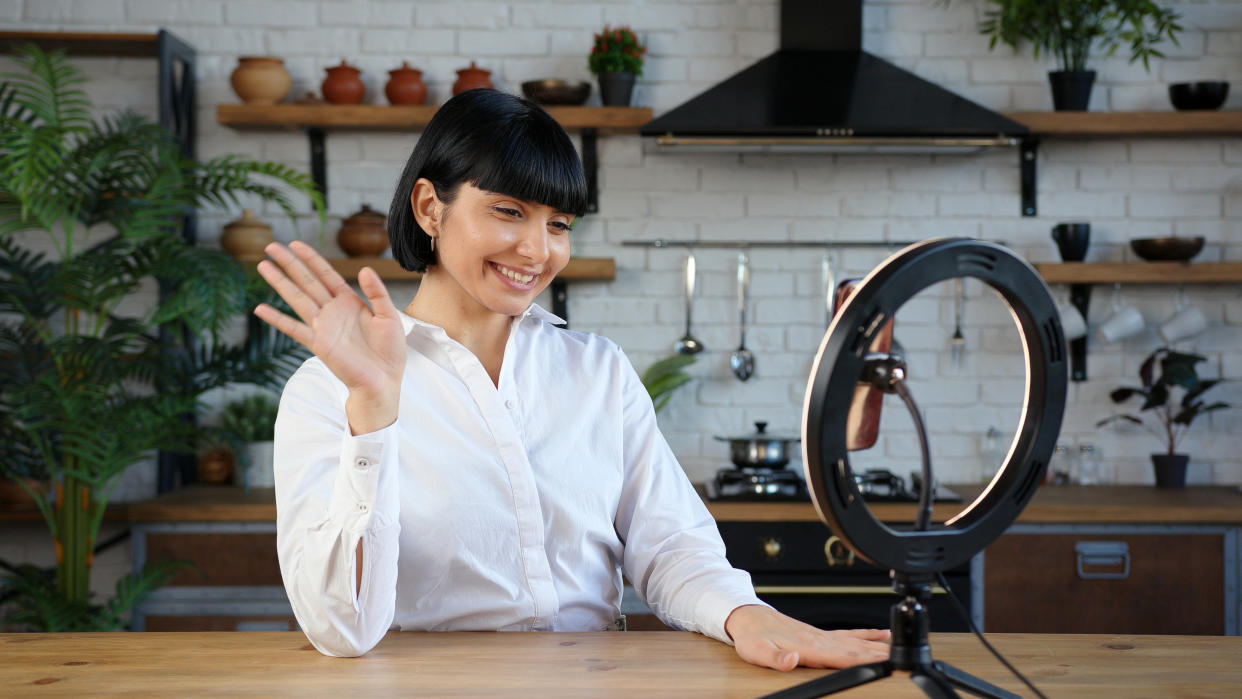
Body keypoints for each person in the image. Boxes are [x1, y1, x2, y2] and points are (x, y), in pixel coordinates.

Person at [253, 89, 890, 671]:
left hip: (592, 682)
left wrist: (746, 618)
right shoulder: (327, 391)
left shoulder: (597, 370)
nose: (537, 250)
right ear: (429, 208)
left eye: (558, 224)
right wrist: (374, 410)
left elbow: (670, 542)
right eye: (508, 211)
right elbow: (342, 629)